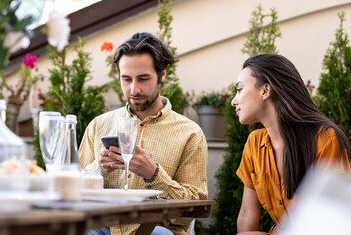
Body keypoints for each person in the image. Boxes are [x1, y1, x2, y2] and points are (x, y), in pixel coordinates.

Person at [79, 32, 208, 235]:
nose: (134, 89)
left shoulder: (189, 133)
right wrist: (99, 169)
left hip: (157, 231)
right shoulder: (99, 125)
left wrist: (154, 174)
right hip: (102, 229)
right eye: (126, 79)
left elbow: (193, 210)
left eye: (143, 79)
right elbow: (74, 195)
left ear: (162, 74)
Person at [231, 54, 351, 234]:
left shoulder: (326, 139)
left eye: (240, 89)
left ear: (265, 90)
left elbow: (333, 221)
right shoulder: (254, 143)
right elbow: (248, 215)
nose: (234, 101)